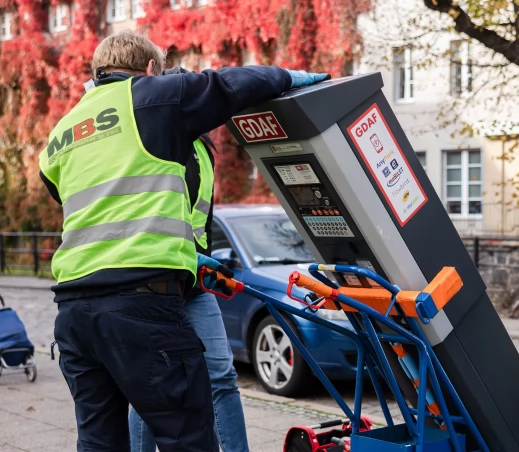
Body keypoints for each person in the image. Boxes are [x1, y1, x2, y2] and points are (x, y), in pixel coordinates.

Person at [40, 29, 328, 451]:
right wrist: (287, 75)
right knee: (186, 436)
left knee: (99, 442)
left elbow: (98, 204)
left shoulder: (63, 132)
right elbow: (231, 84)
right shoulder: (151, 97)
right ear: (152, 69)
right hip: (142, 304)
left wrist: (186, 256)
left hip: (75, 312)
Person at [126, 67, 250, 452]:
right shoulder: (153, 141)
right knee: (150, 386)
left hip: (196, 282)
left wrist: (203, 259)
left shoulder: (201, 146)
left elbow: (199, 216)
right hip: (158, 276)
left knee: (221, 376)